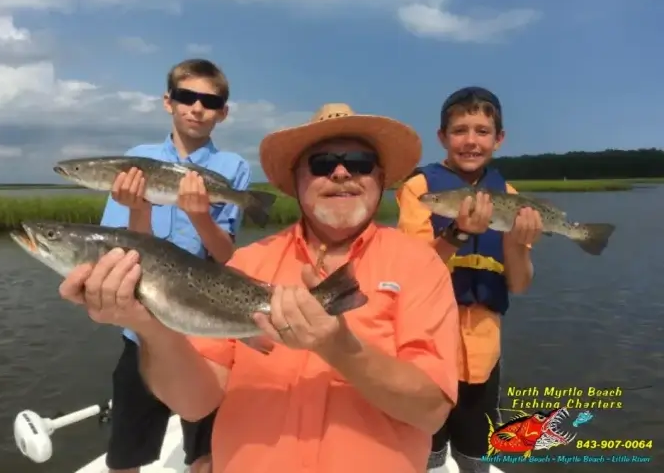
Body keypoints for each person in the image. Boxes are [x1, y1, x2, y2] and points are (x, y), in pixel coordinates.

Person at [58, 103, 461, 473]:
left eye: (360, 162)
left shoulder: (419, 265)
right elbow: (194, 403)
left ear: (380, 178)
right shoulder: (247, 263)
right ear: (296, 180)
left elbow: (431, 412)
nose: (341, 173)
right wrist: (149, 325)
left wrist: (341, 348)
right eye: (322, 163)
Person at [98, 58, 251, 473]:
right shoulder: (136, 159)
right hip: (143, 327)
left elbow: (227, 258)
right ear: (168, 102)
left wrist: (202, 215)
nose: (197, 107)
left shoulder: (233, 168)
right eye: (187, 96)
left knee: (205, 454)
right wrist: (139, 207)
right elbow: (127, 247)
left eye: (210, 100)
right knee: (126, 454)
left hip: (200, 328)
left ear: (223, 111)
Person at [395, 87, 543, 473]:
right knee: (427, 448)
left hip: (483, 349)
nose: (471, 141)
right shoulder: (419, 189)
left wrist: (517, 242)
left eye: (482, 130)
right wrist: (456, 233)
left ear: (499, 139)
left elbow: (520, 283)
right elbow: (411, 271)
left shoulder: (509, 195)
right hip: (426, 346)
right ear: (442, 137)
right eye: (460, 130)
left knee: (477, 449)